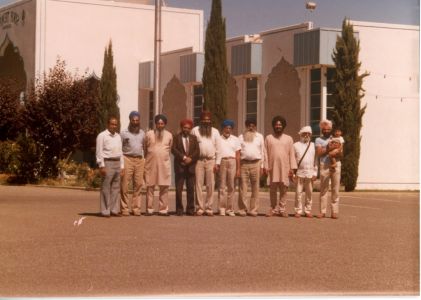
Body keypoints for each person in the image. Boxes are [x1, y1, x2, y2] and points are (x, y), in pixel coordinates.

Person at [264, 115, 297, 217]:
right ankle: (273, 208)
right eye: (276, 124)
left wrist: (292, 168)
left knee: (284, 189)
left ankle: (282, 209)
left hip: (285, 168)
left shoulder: (289, 139)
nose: (278, 126)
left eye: (280, 124)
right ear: (274, 126)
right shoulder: (268, 138)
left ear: (283, 126)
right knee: (272, 189)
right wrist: (265, 166)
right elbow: (265, 153)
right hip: (272, 168)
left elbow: (292, 154)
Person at [191, 111, 220, 216]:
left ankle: (209, 207)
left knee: (210, 185)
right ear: (200, 121)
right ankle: (199, 207)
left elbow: (218, 148)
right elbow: (192, 145)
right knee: (198, 185)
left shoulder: (215, 132)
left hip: (211, 160)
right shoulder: (195, 130)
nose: (206, 122)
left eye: (208, 120)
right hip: (198, 160)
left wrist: (217, 163)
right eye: (204, 120)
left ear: (210, 121)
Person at [144, 114, 173, 216]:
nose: (160, 125)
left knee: (164, 187)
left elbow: (170, 149)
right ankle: (149, 209)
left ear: (164, 124)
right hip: (151, 164)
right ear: (155, 124)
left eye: (162, 123)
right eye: (158, 123)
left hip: (164, 164)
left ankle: (163, 209)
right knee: (150, 187)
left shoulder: (169, 135)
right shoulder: (149, 134)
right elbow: (145, 148)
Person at [96, 116, 124, 217]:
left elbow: (121, 152)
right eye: (112, 124)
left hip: (117, 162)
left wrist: (122, 166)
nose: (114, 126)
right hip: (107, 163)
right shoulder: (102, 136)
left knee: (116, 188)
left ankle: (114, 210)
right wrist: (101, 165)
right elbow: (99, 152)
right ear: (108, 124)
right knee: (106, 187)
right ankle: (105, 211)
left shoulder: (118, 136)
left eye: (115, 124)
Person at [171, 119, 200, 216]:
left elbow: (197, 151)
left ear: (191, 129)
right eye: (184, 128)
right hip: (180, 166)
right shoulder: (176, 137)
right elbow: (173, 149)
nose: (186, 129)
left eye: (188, 128)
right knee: (179, 189)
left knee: (191, 189)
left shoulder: (194, 138)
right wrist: (183, 157)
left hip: (191, 166)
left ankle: (190, 209)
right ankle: (179, 210)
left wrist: (190, 159)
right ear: (181, 128)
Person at [237, 118, 265, 217]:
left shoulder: (260, 137)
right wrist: (238, 167)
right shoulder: (241, 137)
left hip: (256, 163)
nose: (251, 127)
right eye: (249, 125)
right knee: (242, 187)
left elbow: (262, 152)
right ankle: (242, 209)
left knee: (255, 187)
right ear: (246, 126)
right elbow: (238, 152)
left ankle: (253, 209)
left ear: (255, 126)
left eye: (253, 125)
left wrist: (262, 166)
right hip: (243, 164)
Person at [120, 111, 145, 216]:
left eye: (137, 120)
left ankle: (136, 208)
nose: (135, 122)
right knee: (125, 185)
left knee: (138, 185)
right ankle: (124, 208)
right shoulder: (123, 133)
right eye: (133, 120)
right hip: (127, 159)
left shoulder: (143, 133)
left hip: (139, 160)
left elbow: (145, 147)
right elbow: (119, 148)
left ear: (139, 121)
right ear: (130, 120)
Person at [316, 119, 342, 219]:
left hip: (336, 164)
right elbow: (319, 153)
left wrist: (336, 151)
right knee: (324, 189)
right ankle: (322, 211)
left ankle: (334, 211)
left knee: (335, 189)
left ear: (331, 129)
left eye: (328, 129)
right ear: (321, 129)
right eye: (324, 129)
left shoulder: (336, 138)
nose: (326, 131)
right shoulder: (318, 140)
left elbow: (341, 153)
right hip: (324, 165)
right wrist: (328, 148)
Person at [215, 120, 241, 217]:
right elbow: (216, 152)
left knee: (231, 186)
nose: (228, 130)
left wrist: (238, 169)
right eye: (226, 128)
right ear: (223, 128)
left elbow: (238, 155)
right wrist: (216, 164)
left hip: (232, 161)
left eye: (230, 128)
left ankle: (230, 209)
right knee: (222, 186)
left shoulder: (235, 139)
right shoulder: (218, 139)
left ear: (232, 129)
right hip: (222, 161)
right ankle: (221, 208)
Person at [293, 126, 317, 218]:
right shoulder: (295, 145)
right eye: (304, 133)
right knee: (298, 193)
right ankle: (298, 211)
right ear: (301, 134)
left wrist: (315, 173)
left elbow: (316, 160)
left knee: (309, 193)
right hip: (299, 173)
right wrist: (293, 173)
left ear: (310, 135)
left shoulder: (313, 145)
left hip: (310, 173)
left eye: (308, 134)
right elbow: (293, 160)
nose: (306, 135)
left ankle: (308, 210)